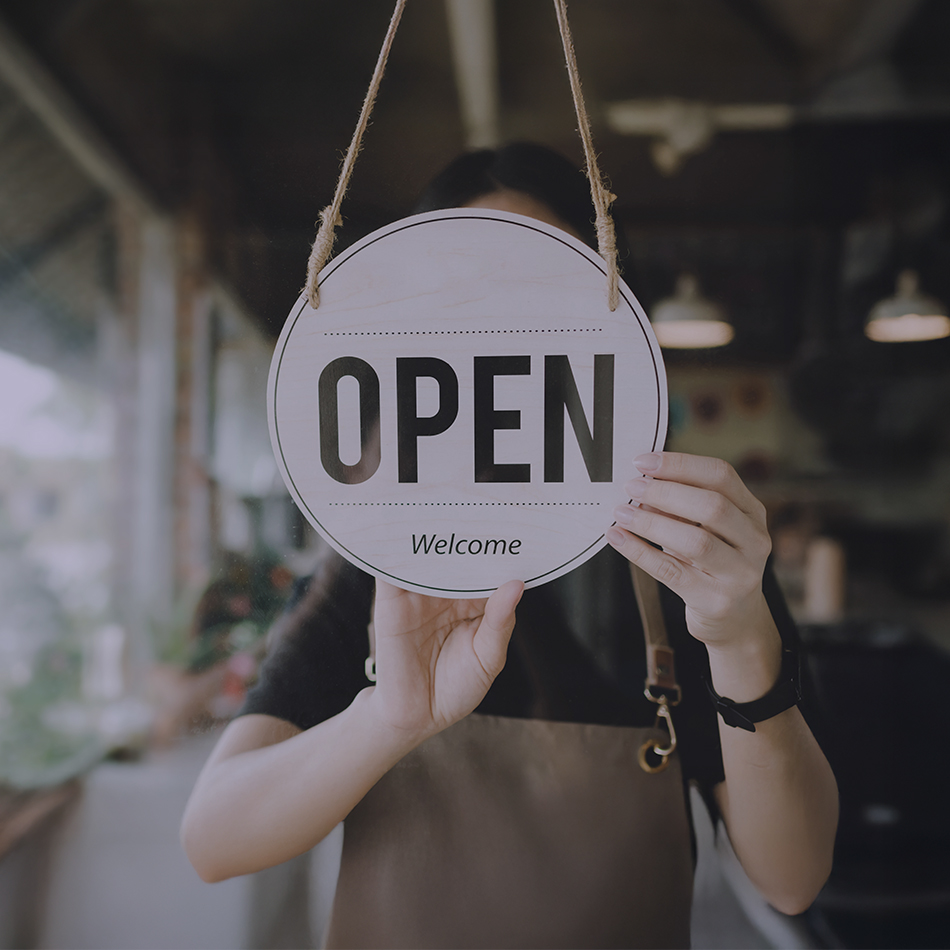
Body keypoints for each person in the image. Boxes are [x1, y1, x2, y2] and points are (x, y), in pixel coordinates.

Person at [181, 143, 838, 949]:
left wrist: (740, 643)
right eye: (463, 294)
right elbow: (214, 839)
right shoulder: (379, 565)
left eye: (540, 287)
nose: (499, 330)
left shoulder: (690, 555)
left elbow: (791, 877)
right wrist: (388, 719)